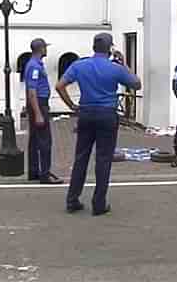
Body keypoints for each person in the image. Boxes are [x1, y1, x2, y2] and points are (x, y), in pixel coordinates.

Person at [56, 33, 141, 215]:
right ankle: (99, 203)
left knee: (81, 157)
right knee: (103, 159)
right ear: (110, 48)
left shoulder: (80, 65)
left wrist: (72, 106)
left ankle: (72, 200)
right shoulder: (115, 68)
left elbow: (59, 86)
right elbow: (136, 84)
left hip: (86, 113)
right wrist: (124, 63)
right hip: (107, 115)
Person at [24, 38, 63, 185]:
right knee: (44, 140)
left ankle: (34, 171)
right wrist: (38, 113)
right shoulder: (34, 66)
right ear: (40, 49)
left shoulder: (34, 64)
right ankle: (44, 174)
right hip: (39, 103)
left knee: (34, 139)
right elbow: (32, 91)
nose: (46, 50)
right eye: (45, 47)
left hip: (37, 103)